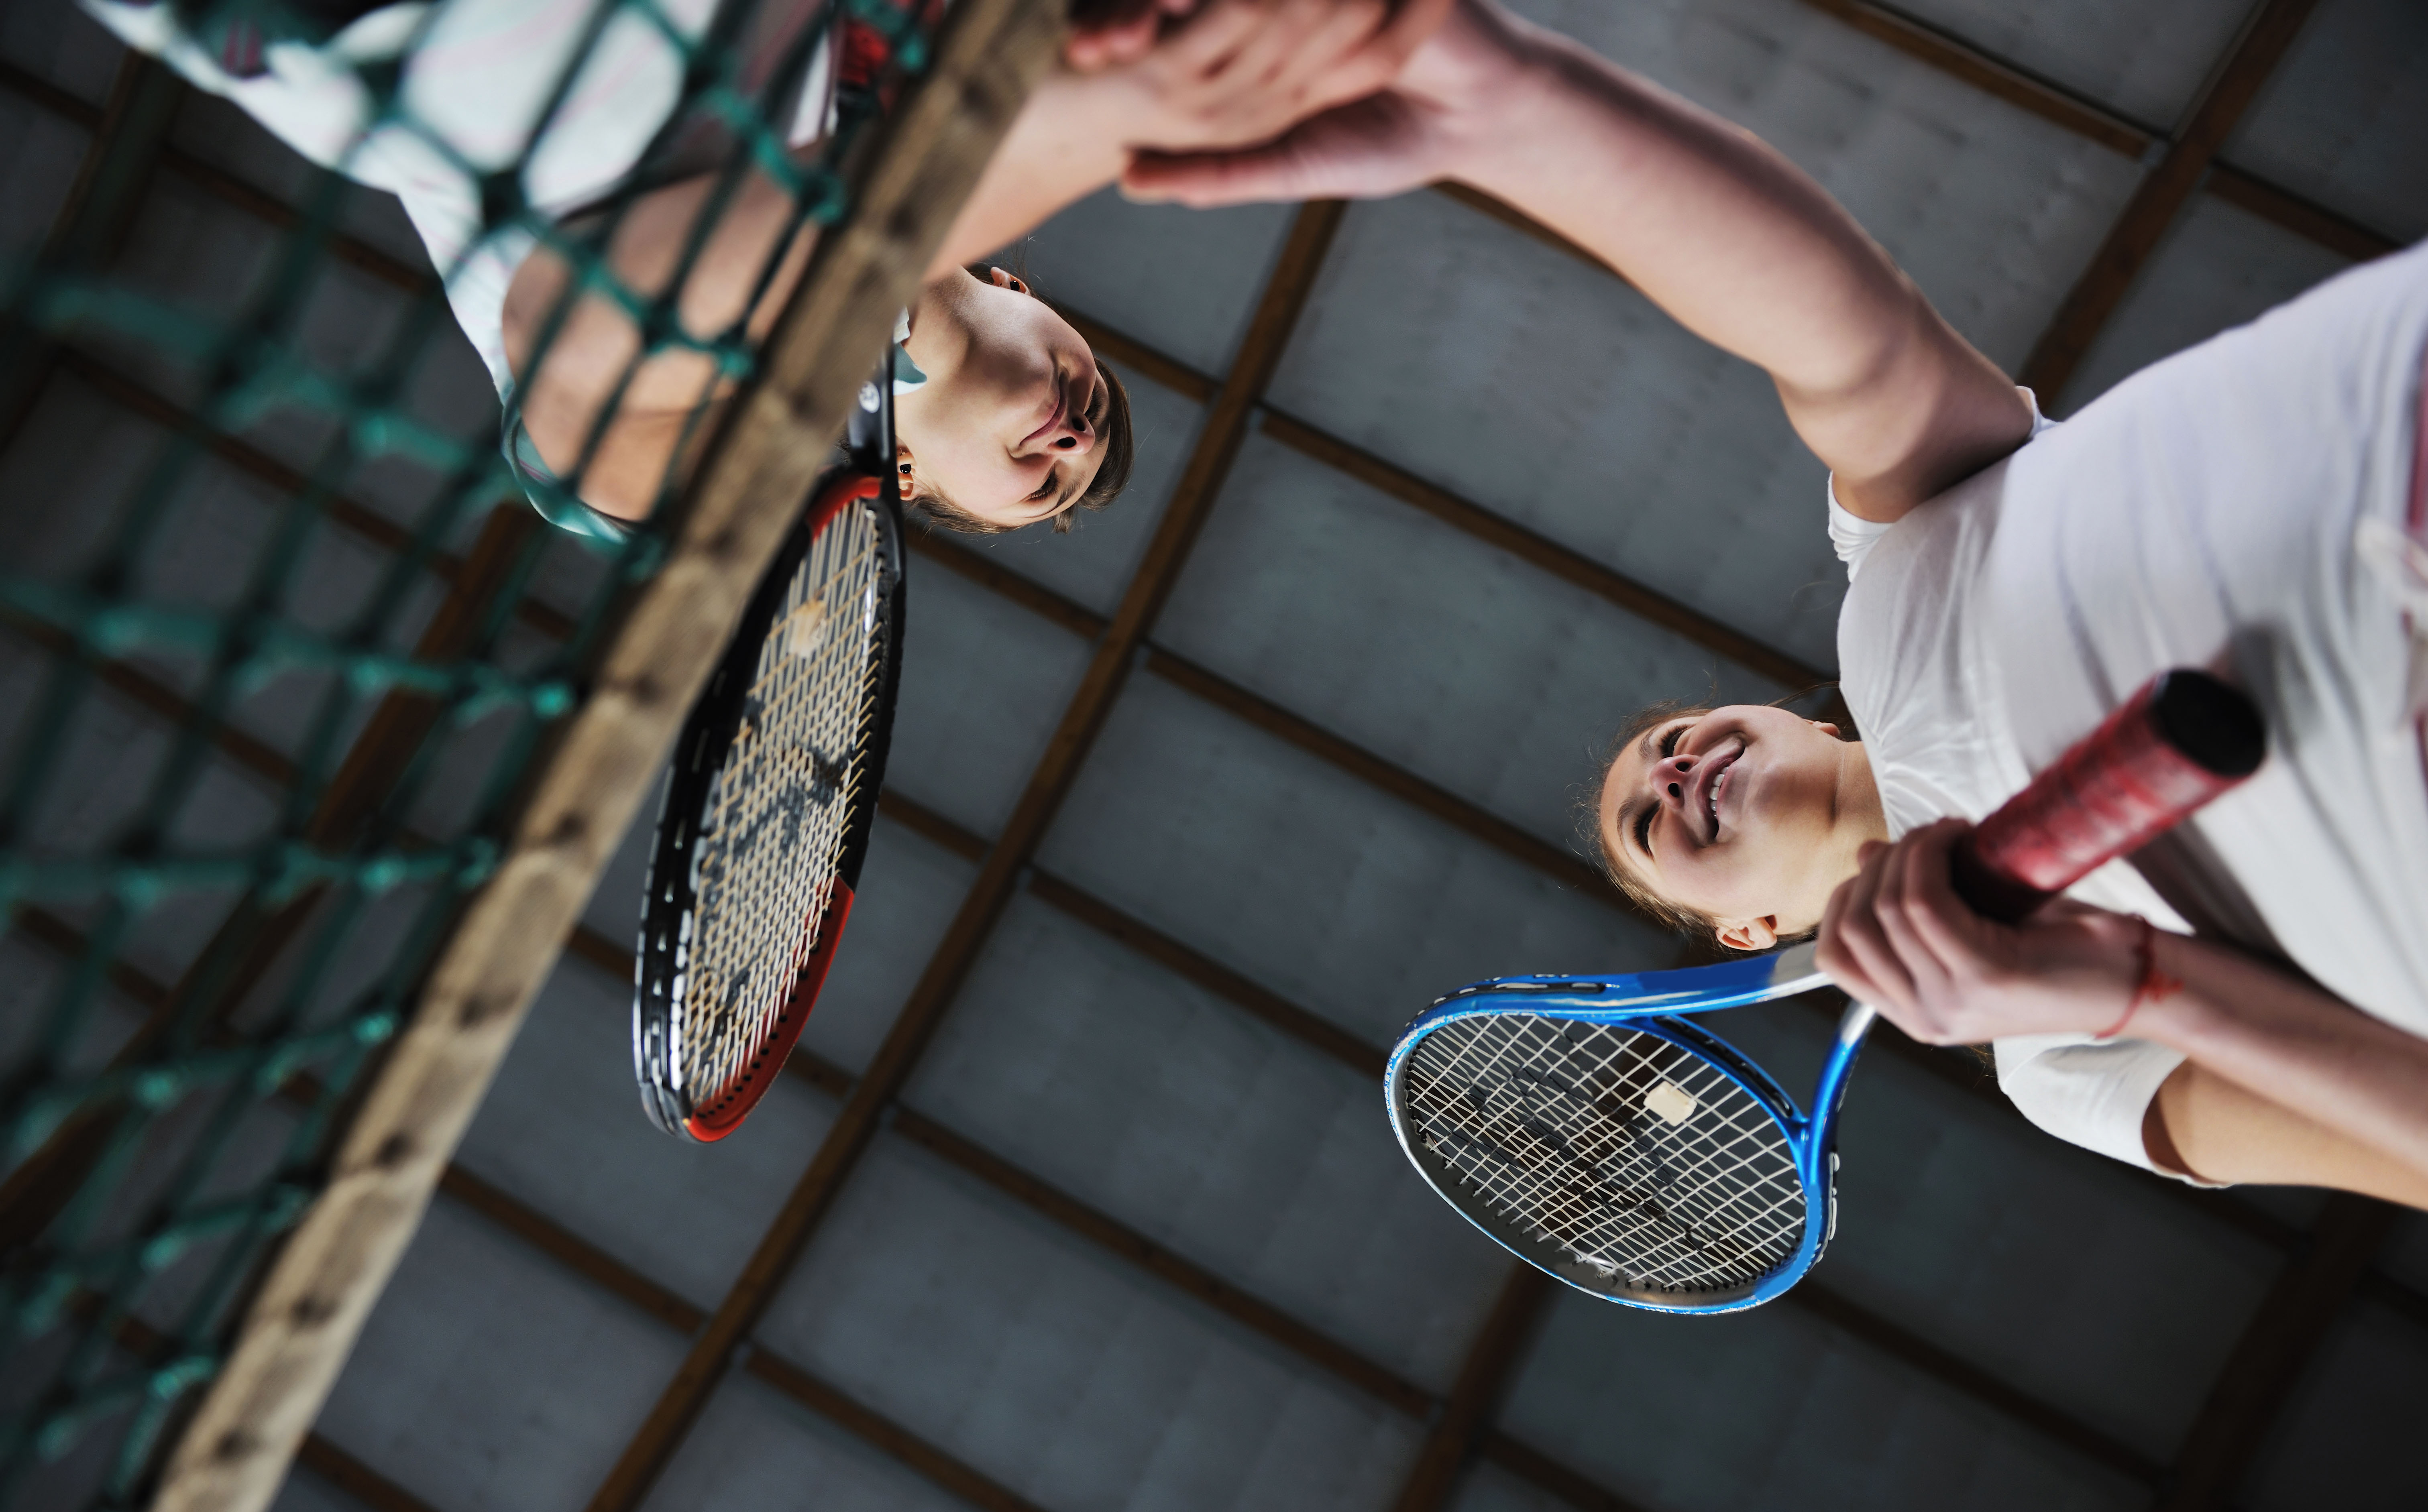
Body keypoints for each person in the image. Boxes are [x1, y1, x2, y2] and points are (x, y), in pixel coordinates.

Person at [1124, 0, 2428, 1206]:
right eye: (1652, 818)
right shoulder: (2056, 1064)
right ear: (1747, 935)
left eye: (1667, 743)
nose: (1675, 768)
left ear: (1801, 720)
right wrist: (2151, 987)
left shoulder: (1894, 577)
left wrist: (1535, 112)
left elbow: (1848, 340)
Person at [78, 0, 1448, 538]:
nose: (1075, 446)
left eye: (1046, 487)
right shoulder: (958, 64)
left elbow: (581, 322)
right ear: (1035, 296)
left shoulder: (726, 469)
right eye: (1101, 412)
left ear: (906, 484)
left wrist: (1084, 126)